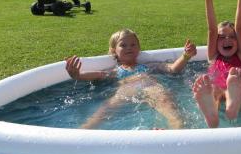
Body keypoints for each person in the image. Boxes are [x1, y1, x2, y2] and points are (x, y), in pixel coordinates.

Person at [65, 29, 197, 129]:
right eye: (123, 45)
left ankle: (178, 129)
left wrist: (185, 56)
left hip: (150, 87)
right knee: (106, 108)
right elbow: (98, 74)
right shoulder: (116, 71)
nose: (129, 47)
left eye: (133, 44)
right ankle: (84, 131)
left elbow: (172, 68)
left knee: (166, 102)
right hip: (125, 91)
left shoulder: (149, 66)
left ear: (139, 48)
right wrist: (78, 75)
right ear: (113, 51)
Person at [192, 0, 241, 128]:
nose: (227, 40)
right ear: (215, 42)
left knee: (236, 84)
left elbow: (240, 27)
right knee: (213, 89)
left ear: (238, 40)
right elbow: (211, 29)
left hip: (235, 89)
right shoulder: (213, 56)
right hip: (217, 90)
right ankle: (213, 115)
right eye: (222, 37)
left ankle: (230, 106)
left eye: (232, 36)